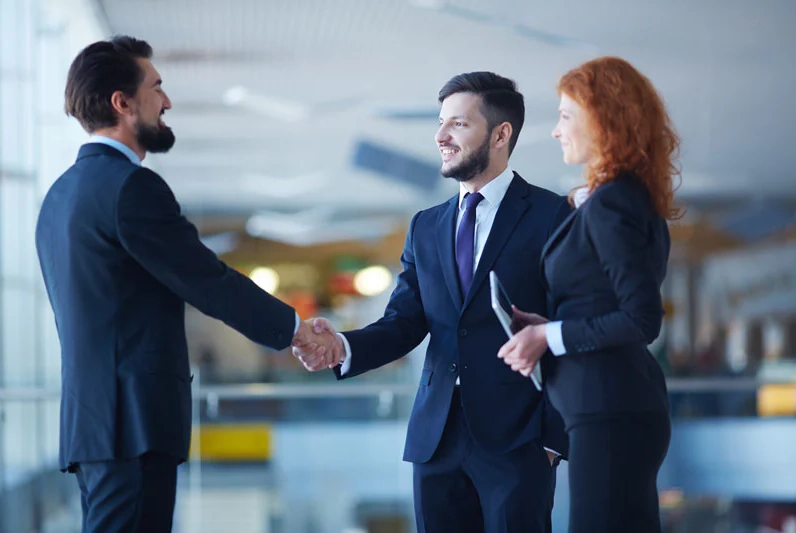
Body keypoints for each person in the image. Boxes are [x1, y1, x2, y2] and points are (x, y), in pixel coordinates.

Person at [35, 36, 326, 533]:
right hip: (134, 427)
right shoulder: (131, 188)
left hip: (95, 425)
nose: (167, 102)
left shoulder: (57, 197)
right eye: (157, 88)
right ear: (122, 103)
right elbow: (206, 279)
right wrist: (295, 330)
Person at [294, 72, 571, 533]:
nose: (440, 136)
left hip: (519, 440)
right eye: (441, 123)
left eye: (458, 124)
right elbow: (405, 321)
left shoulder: (552, 215)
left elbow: (569, 324)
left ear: (501, 134)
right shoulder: (426, 226)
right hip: (435, 439)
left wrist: (552, 439)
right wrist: (343, 346)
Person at [497, 56, 680, 533]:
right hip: (610, 405)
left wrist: (549, 338)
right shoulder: (616, 198)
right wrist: (545, 326)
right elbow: (600, 301)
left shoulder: (615, 201)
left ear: (602, 118)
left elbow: (641, 319)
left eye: (564, 116)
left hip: (611, 407)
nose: (556, 131)